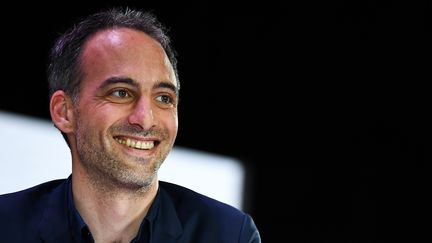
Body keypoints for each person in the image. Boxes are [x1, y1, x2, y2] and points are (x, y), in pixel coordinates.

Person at [0, 7, 261, 243]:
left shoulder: (228, 235)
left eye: (163, 98)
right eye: (121, 93)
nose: (145, 119)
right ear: (64, 112)